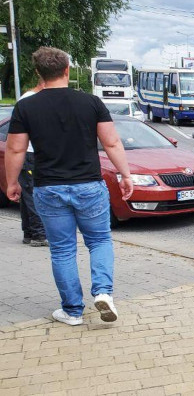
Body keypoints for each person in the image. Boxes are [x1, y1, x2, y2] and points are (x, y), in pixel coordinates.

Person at [5, 47, 134, 326]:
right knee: (99, 241)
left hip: (49, 188)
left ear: (39, 73)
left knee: (62, 250)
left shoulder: (26, 106)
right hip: (89, 185)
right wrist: (126, 175)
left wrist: (13, 182)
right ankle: (103, 292)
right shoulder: (91, 102)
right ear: (67, 70)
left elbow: (15, 150)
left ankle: (73, 311)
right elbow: (111, 143)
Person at [17, 78, 47, 247]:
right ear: (42, 83)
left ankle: (29, 232)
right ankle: (38, 234)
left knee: (27, 194)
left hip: (29, 153)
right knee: (33, 194)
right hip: (30, 153)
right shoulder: (30, 100)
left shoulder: (28, 99)